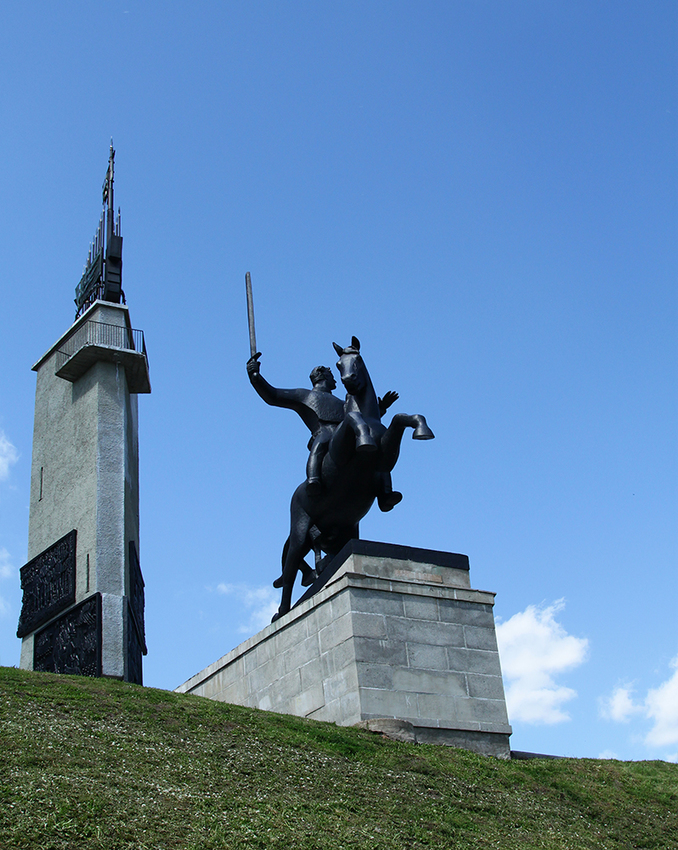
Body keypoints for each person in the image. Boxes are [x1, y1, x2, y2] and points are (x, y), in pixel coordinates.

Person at [246, 353, 402, 509]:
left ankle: (385, 492)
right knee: (320, 445)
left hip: (346, 436)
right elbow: (273, 395)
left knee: (373, 451)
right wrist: (255, 377)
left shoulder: (344, 403)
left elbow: (361, 417)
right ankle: (313, 479)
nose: (335, 379)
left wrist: (381, 408)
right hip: (325, 433)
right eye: (331, 374)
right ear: (321, 376)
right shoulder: (305, 396)